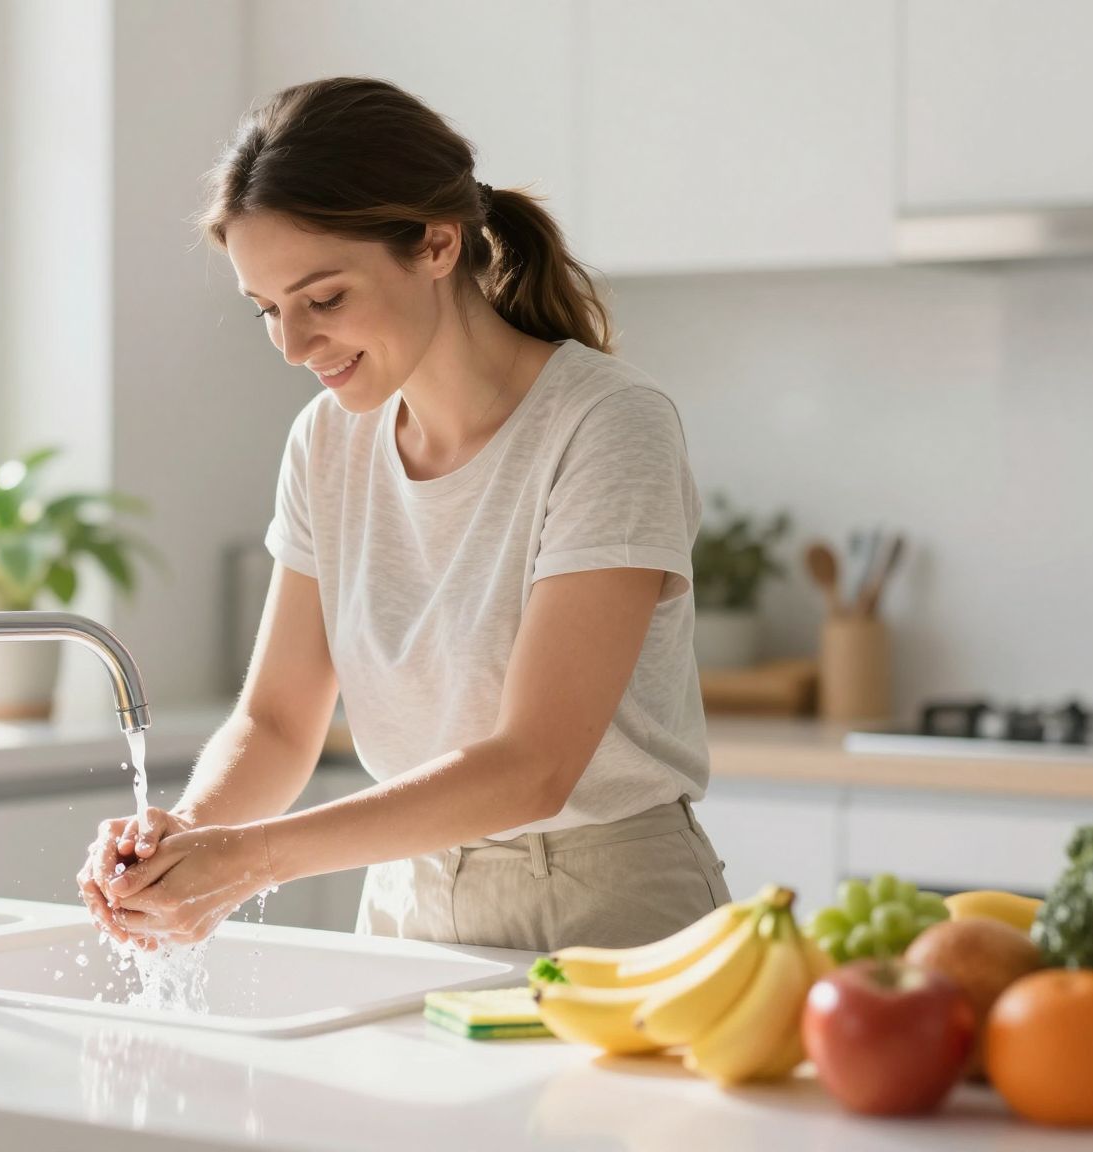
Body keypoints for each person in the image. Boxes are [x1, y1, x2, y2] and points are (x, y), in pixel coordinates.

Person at [76, 76, 724, 953]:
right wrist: (184, 840)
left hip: (608, 914)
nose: (292, 346)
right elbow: (274, 721)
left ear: (435, 245)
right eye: (267, 309)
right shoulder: (326, 443)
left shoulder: (605, 425)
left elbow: (533, 766)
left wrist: (247, 861)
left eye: (324, 298)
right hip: (407, 905)